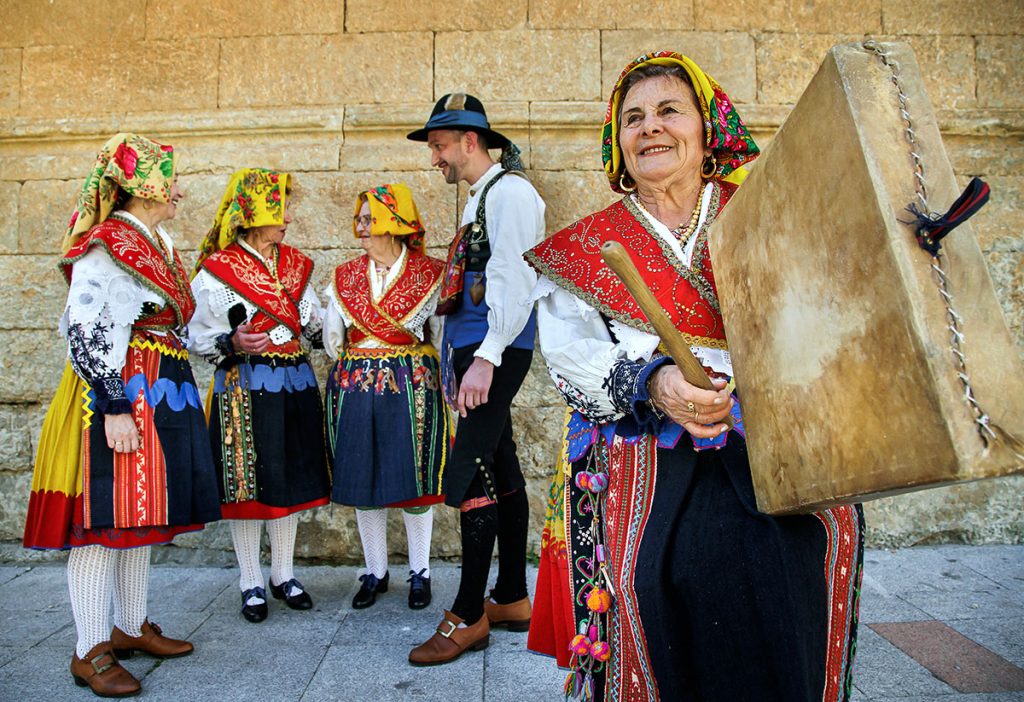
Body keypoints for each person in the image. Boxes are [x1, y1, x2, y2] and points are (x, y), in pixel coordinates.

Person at [524, 52, 865, 700]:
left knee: (783, 606)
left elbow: (833, 313)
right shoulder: (587, 248)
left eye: (668, 111)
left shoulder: (769, 216)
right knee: (652, 605)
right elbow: (568, 356)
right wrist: (654, 385)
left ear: (707, 130)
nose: (650, 127)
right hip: (643, 463)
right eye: (633, 118)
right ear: (618, 144)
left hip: (771, 456)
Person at [23, 133, 221, 697]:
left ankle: (131, 627)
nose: (179, 191)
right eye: (171, 180)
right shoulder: (108, 244)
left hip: (158, 390)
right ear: (145, 185)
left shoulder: (157, 242)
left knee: (138, 516)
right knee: (102, 519)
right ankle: (90, 649)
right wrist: (112, 405)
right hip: (117, 394)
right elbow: (86, 327)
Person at [405, 94, 546, 665]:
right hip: (478, 346)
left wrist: (487, 357)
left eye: (439, 145)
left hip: (493, 348)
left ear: (470, 140)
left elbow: (514, 277)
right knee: (500, 462)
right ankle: (511, 597)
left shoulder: (510, 193)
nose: (434, 157)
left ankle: (468, 614)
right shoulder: (482, 198)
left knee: (469, 472)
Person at [190, 168, 329, 624]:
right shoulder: (217, 271)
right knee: (246, 482)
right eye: (279, 210)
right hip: (243, 387)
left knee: (287, 476)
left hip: (294, 382)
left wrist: (334, 325)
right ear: (252, 214)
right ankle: (250, 580)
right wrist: (232, 341)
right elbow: (194, 335)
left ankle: (283, 575)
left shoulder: (295, 265)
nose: (287, 218)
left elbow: (313, 325)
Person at [324, 183, 449, 611]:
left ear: (393, 223)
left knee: (415, 480)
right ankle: (375, 570)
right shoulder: (345, 276)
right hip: (356, 385)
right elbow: (333, 339)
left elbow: (439, 336)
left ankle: (420, 571)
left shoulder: (429, 274)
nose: (360, 227)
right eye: (359, 219)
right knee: (364, 478)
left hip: (412, 385)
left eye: (368, 219)